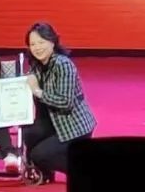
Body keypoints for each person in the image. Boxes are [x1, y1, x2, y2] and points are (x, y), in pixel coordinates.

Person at [22, 23, 96, 183]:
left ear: (52, 42)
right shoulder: (37, 64)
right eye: (33, 44)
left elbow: (65, 102)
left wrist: (38, 91)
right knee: (28, 134)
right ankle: (46, 175)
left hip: (74, 127)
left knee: (39, 155)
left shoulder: (63, 64)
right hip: (52, 122)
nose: (37, 47)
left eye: (41, 42)